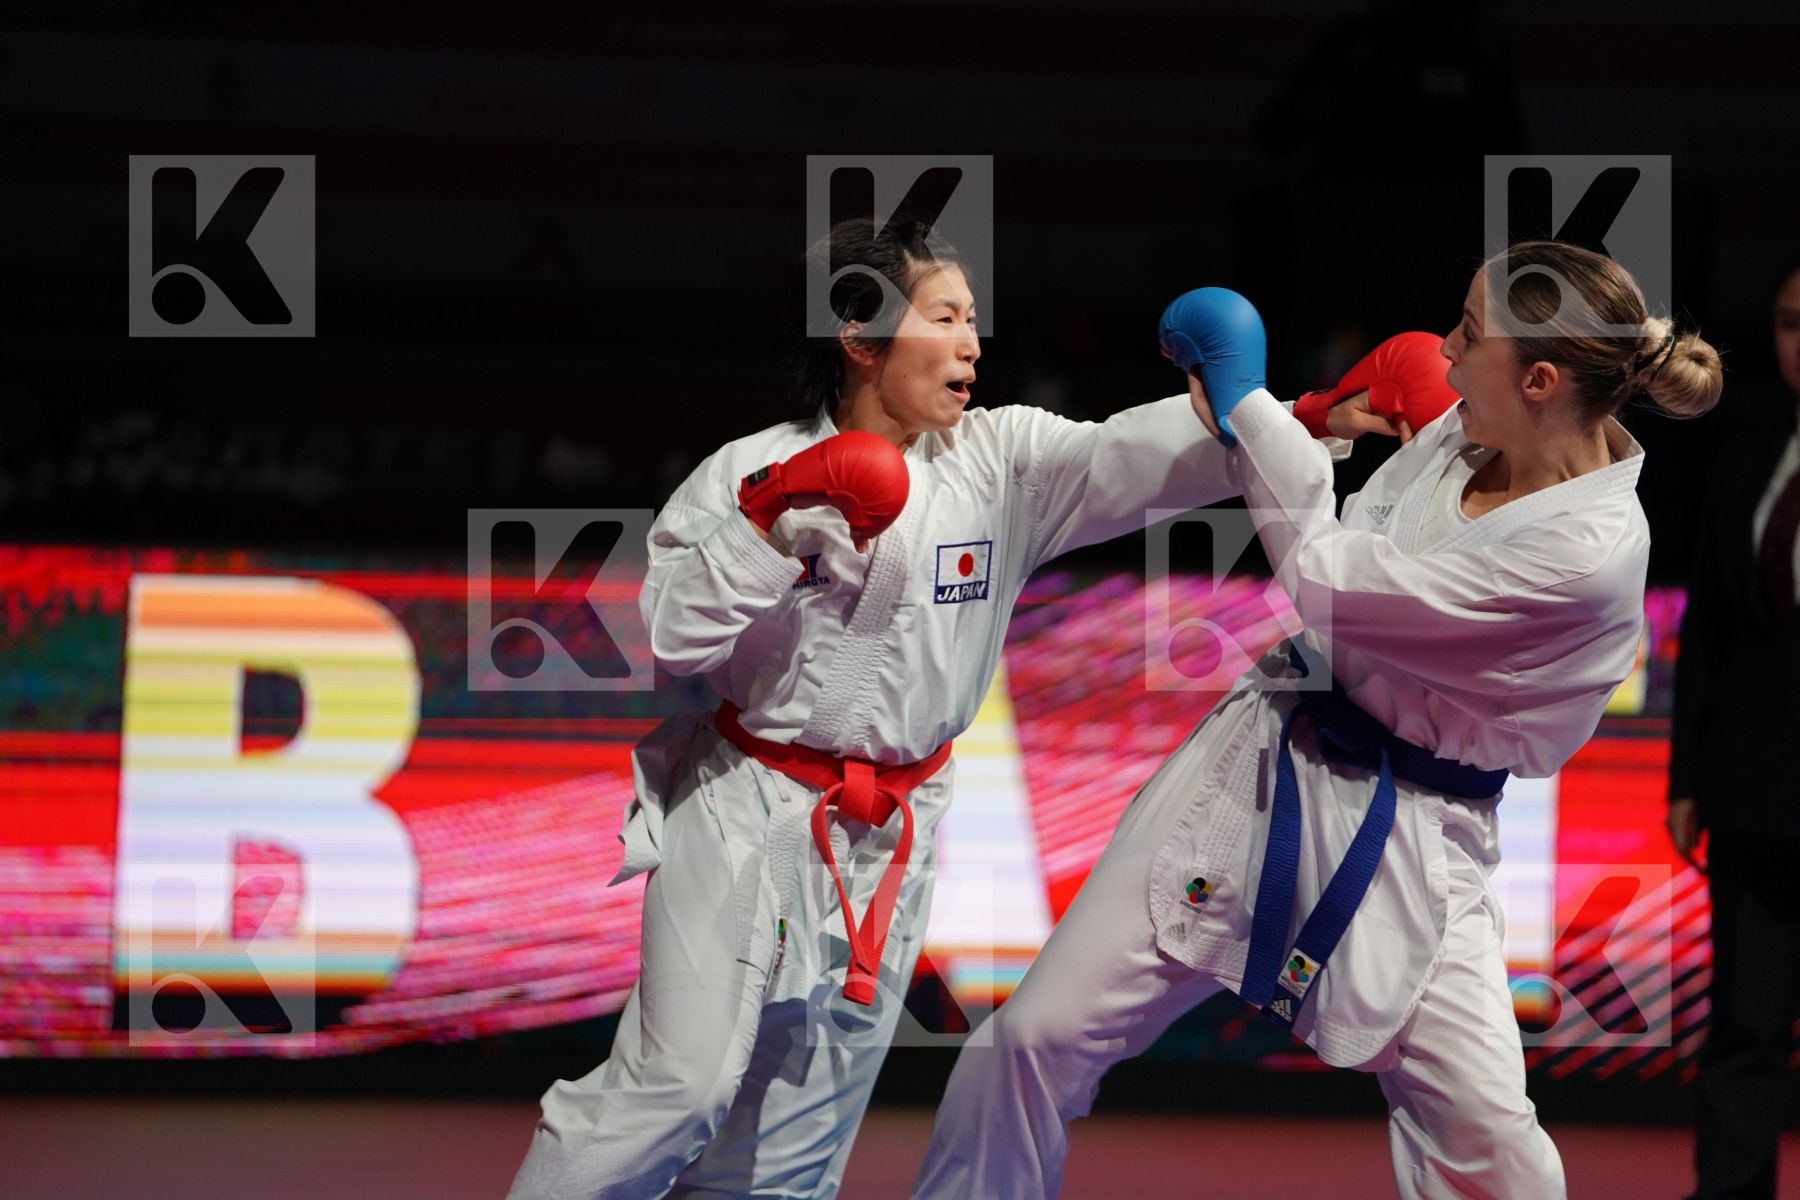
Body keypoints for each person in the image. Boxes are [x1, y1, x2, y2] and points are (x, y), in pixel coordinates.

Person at [504, 219, 1350, 1200]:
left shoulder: (1000, 462)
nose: (971, 345)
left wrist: (1308, 415)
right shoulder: (752, 473)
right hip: (746, 810)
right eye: (944, 318)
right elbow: (672, 640)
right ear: (861, 342)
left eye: (974, 322)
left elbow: (1148, 454)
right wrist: (768, 524)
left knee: (788, 1161)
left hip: (892, 836)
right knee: (676, 1091)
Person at [913, 240, 1723, 1200]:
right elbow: (1357, 522)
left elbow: (1333, 581)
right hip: (1263, 757)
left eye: (1468, 333)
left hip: (1415, 832)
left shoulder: (1583, 555)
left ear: (1541, 379)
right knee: (1032, 1039)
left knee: (1494, 1155)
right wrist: (1321, 419)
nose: (1443, 350)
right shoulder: (1470, 429)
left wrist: (1250, 398)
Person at [1669, 254, 1800, 1200]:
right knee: (1745, 1027)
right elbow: (1707, 632)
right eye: (1794, 323)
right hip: (1756, 790)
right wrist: (1685, 779)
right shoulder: (1749, 457)